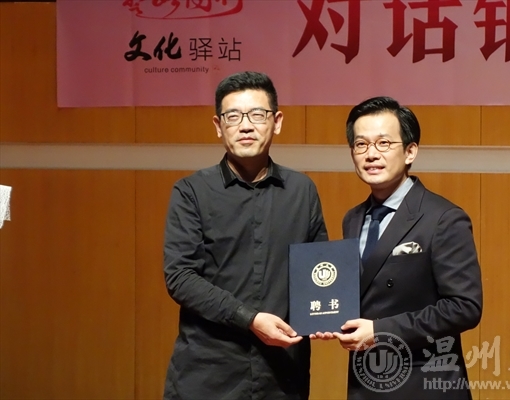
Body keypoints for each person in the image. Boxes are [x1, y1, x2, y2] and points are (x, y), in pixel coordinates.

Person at [162, 71, 328, 400]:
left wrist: (329, 313)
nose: (246, 126)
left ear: (277, 122)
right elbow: (180, 277)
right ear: (218, 125)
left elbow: (318, 270)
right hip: (208, 374)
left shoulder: (302, 190)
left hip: (281, 376)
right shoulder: (191, 192)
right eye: (233, 116)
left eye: (257, 115)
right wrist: (249, 319)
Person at [312, 96, 482, 399]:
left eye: (384, 143)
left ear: (410, 151)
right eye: (361, 145)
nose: (371, 154)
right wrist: (327, 317)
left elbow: (464, 307)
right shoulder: (353, 218)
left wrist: (380, 331)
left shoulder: (443, 218)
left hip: (425, 382)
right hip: (367, 381)